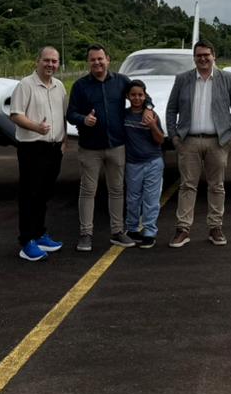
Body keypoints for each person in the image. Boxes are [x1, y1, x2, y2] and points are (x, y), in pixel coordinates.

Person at [165, 39, 231, 247]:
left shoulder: (227, 78)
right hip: (188, 141)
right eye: (198, 55)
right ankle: (183, 229)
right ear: (194, 58)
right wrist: (174, 135)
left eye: (206, 55)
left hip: (217, 141)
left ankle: (215, 227)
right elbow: (171, 109)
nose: (202, 59)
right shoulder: (182, 79)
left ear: (213, 56)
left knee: (216, 186)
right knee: (187, 185)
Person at [66, 44, 136, 252]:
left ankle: (117, 231)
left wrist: (148, 107)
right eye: (93, 59)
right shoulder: (80, 86)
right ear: (88, 62)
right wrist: (83, 119)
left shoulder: (122, 81)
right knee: (88, 191)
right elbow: (70, 113)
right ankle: (86, 233)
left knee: (116, 190)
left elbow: (139, 95)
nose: (97, 62)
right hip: (90, 148)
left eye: (100, 59)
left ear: (108, 59)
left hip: (116, 145)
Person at [9, 47, 67, 261]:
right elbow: (15, 115)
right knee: (29, 195)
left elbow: (62, 115)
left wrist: (64, 141)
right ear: (38, 61)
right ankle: (26, 241)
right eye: (47, 60)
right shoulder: (25, 85)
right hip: (32, 148)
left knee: (44, 194)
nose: (50, 64)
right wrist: (36, 127)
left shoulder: (60, 86)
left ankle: (40, 233)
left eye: (54, 61)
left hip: (54, 149)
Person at [123, 80, 165, 249]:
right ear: (127, 96)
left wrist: (153, 125)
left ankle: (149, 231)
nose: (137, 98)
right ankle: (132, 228)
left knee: (151, 199)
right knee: (133, 198)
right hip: (133, 163)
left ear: (145, 95)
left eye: (140, 95)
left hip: (153, 161)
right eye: (133, 95)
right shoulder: (124, 115)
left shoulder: (151, 115)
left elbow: (160, 139)